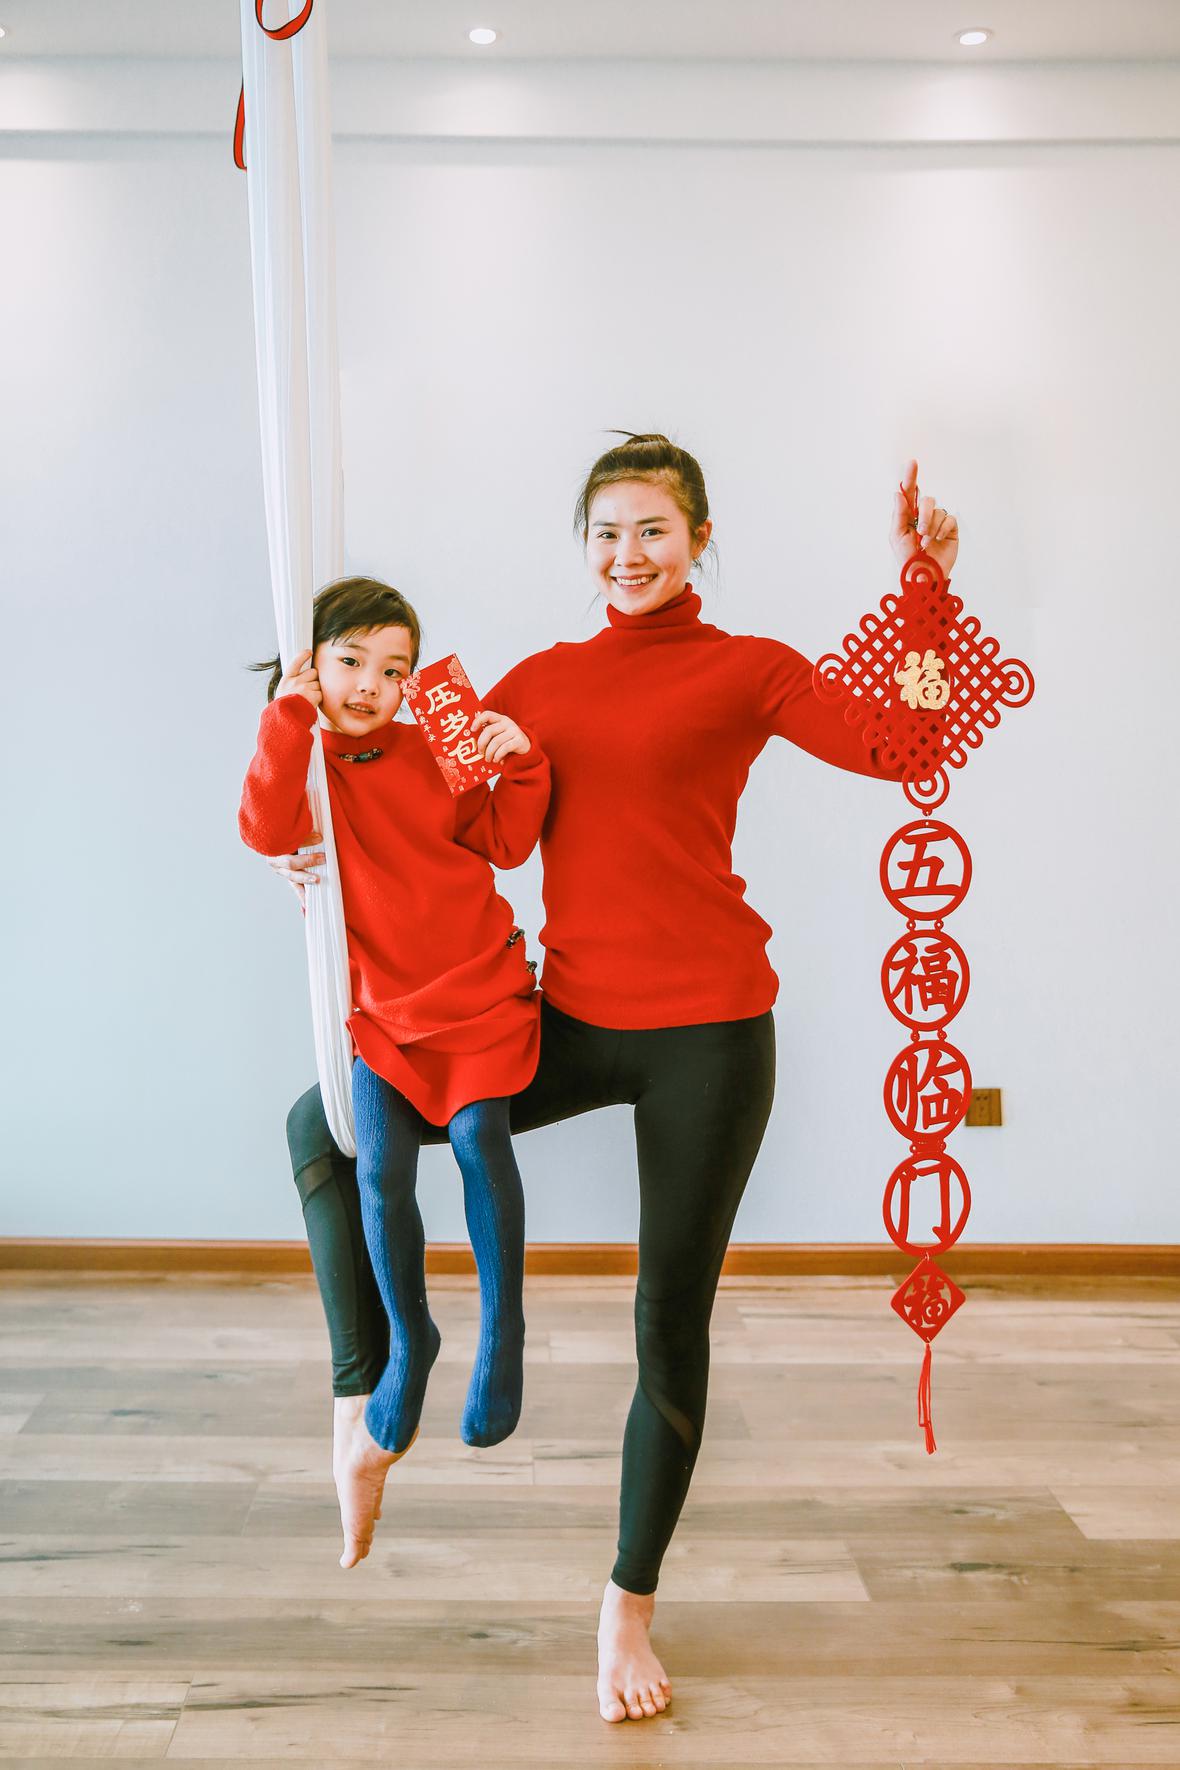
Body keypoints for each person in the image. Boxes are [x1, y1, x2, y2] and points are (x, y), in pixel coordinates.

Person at [266, 446, 959, 1722]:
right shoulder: (536, 683)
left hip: (712, 1036)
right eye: (605, 532)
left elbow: (905, 739)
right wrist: (311, 841)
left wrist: (925, 590)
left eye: (652, 529)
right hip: (571, 1019)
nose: (627, 554)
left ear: (698, 537)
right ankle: (362, 1395)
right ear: (582, 543)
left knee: (665, 1325)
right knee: (329, 1121)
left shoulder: (748, 668)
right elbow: (412, 788)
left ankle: (626, 1605)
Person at [239, 577, 550, 1561]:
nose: (373, 685)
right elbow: (264, 828)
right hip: (383, 1013)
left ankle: (502, 1334)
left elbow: (505, 840)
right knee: (379, 1168)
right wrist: (289, 717)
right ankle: (411, 1343)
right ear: (311, 667)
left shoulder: (433, 745)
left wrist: (520, 763)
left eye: (395, 669)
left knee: (481, 1138)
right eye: (351, 663)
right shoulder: (307, 762)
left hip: (478, 984)